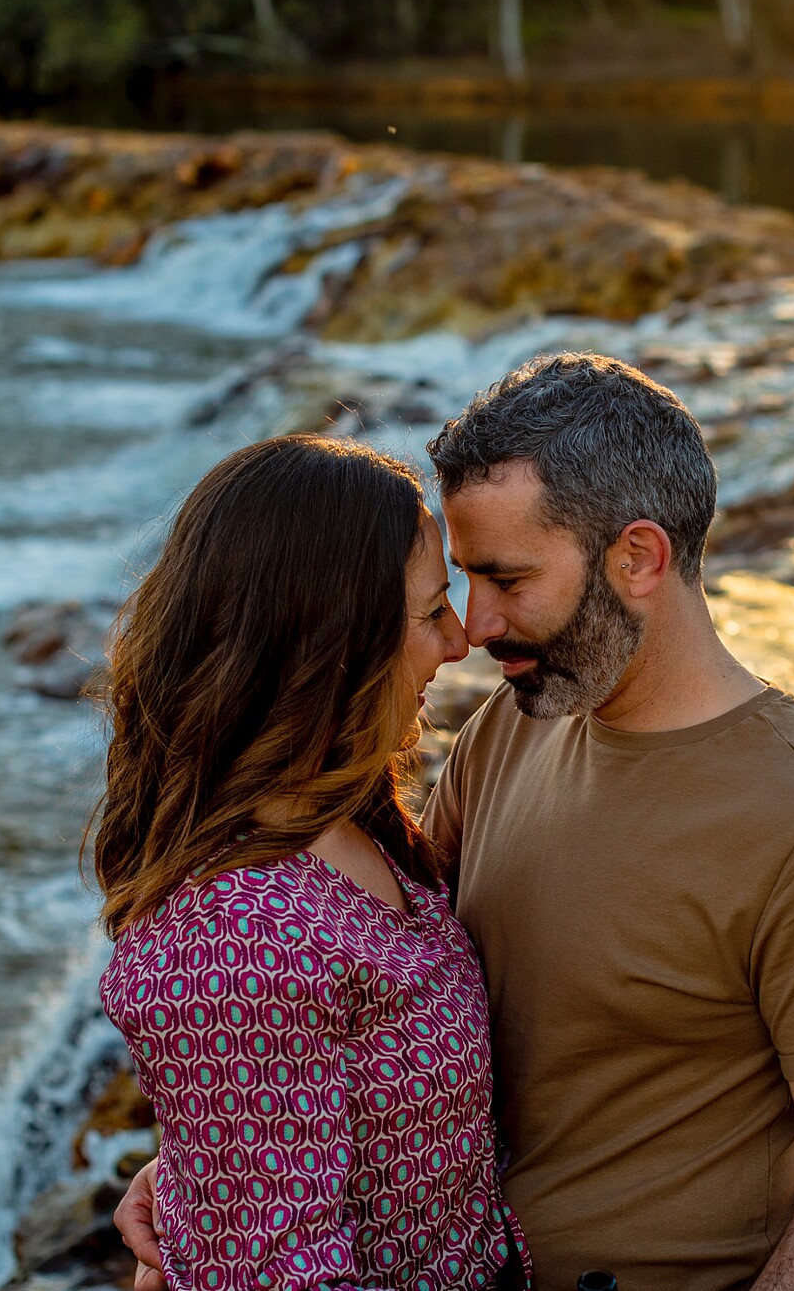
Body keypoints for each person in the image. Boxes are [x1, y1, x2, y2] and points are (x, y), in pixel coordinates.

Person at [121, 355, 794, 1291]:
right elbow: (372, 997)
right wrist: (225, 1160)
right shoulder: (510, 729)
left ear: (638, 558)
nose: (475, 626)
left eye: (507, 578)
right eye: (461, 580)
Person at [91, 434, 529, 1291]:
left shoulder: (351, 817)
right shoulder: (230, 937)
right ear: (337, 642)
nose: (458, 640)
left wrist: (199, 1177)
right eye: (432, 607)